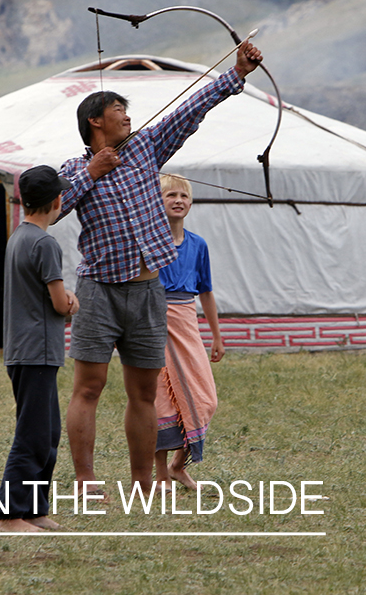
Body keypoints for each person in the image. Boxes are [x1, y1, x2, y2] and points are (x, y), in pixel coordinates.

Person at [57, 40, 263, 496]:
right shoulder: (72, 169)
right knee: (88, 388)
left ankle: (143, 481)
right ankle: (86, 480)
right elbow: (49, 210)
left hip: (149, 290)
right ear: (95, 120)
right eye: (118, 111)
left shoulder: (145, 148)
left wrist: (237, 73)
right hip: (98, 290)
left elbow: (188, 112)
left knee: (144, 393)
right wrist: (93, 172)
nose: (128, 117)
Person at [0, 166, 78, 533]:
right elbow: (60, 303)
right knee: (32, 435)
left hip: (23, 350)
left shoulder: (19, 237)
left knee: (48, 432)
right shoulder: (45, 244)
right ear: (57, 201)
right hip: (37, 350)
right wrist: (73, 302)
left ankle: (35, 509)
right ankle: (9, 516)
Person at [154, 174, 224, 492]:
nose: (178, 200)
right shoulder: (150, 242)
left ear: (191, 203)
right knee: (160, 401)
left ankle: (177, 466)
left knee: (205, 397)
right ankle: (159, 475)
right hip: (154, 323)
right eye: (171, 195)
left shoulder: (198, 245)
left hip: (187, 322)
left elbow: (206, 291)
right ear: (158, 201)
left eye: (184, 195)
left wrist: (217, 335)